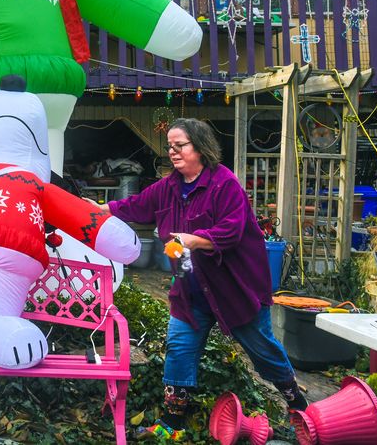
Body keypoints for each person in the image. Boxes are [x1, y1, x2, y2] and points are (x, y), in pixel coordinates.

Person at [94, 118, 307, 437]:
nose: (173, 151)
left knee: (263, 350)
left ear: (200, 147)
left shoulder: (225, 184)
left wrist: (193, 239)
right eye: (170, 146)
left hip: (236, 289)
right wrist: (99, 209)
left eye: (180, 145)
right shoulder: (167, 187)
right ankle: (171, 425)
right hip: (190, 290)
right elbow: (136, 206)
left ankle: (299, 410)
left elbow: (231, 231)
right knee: (179, 348)